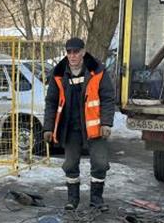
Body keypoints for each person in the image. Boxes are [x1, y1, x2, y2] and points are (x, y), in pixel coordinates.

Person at [42, 37, 116, 210]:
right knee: (70, 165)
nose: (73, 55)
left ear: (83, 52)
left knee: (100, 164)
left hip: (94, 127)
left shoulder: (97, 71)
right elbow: (51, 102)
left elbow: (108, 98)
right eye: (69, 52)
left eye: (76, 52)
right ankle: (72, 200)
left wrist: (106, 123)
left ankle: (96, 200)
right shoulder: (58, 74)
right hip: (70, 128)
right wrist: (48, 127)